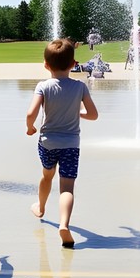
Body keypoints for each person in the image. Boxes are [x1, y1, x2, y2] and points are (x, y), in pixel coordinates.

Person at [26, 38, 99, 247]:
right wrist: (77, 111)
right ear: (74, 64)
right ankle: (64, 224)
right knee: (67, 187)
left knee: (46, 176)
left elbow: (31, 113)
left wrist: (30, 127)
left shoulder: (43, 86)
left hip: (48, 142)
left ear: (46, 65)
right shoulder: (80, 87)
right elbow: (93, 115)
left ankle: (40, 207)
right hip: (71, 145)